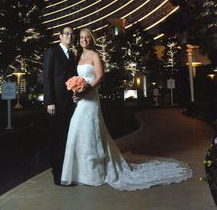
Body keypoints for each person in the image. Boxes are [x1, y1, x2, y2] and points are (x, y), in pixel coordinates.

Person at [61, 27, 193, 191]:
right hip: (81, 98)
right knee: (77, 129)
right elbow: (79, 78)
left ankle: (95, 173)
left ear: (91, 39)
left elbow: (100, 76)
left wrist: (86, 89)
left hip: (91, 97)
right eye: (81, 37)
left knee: (90, 130)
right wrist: (76, 91)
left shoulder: (95, 55)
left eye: (87, 37)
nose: (84, 40)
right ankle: (80, 172)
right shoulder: (78, 56)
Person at [43, 25, 77, 185]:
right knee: (56, 138)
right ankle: (57, 175)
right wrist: (49, 101)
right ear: (60, 36)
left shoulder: (72, 55)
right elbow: (47, 78)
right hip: (55, 103)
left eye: (71, 34)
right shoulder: (52, 52)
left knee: (66, 138)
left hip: (69, 103)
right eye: (66, 34)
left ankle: (64, 171)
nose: (69, 36)